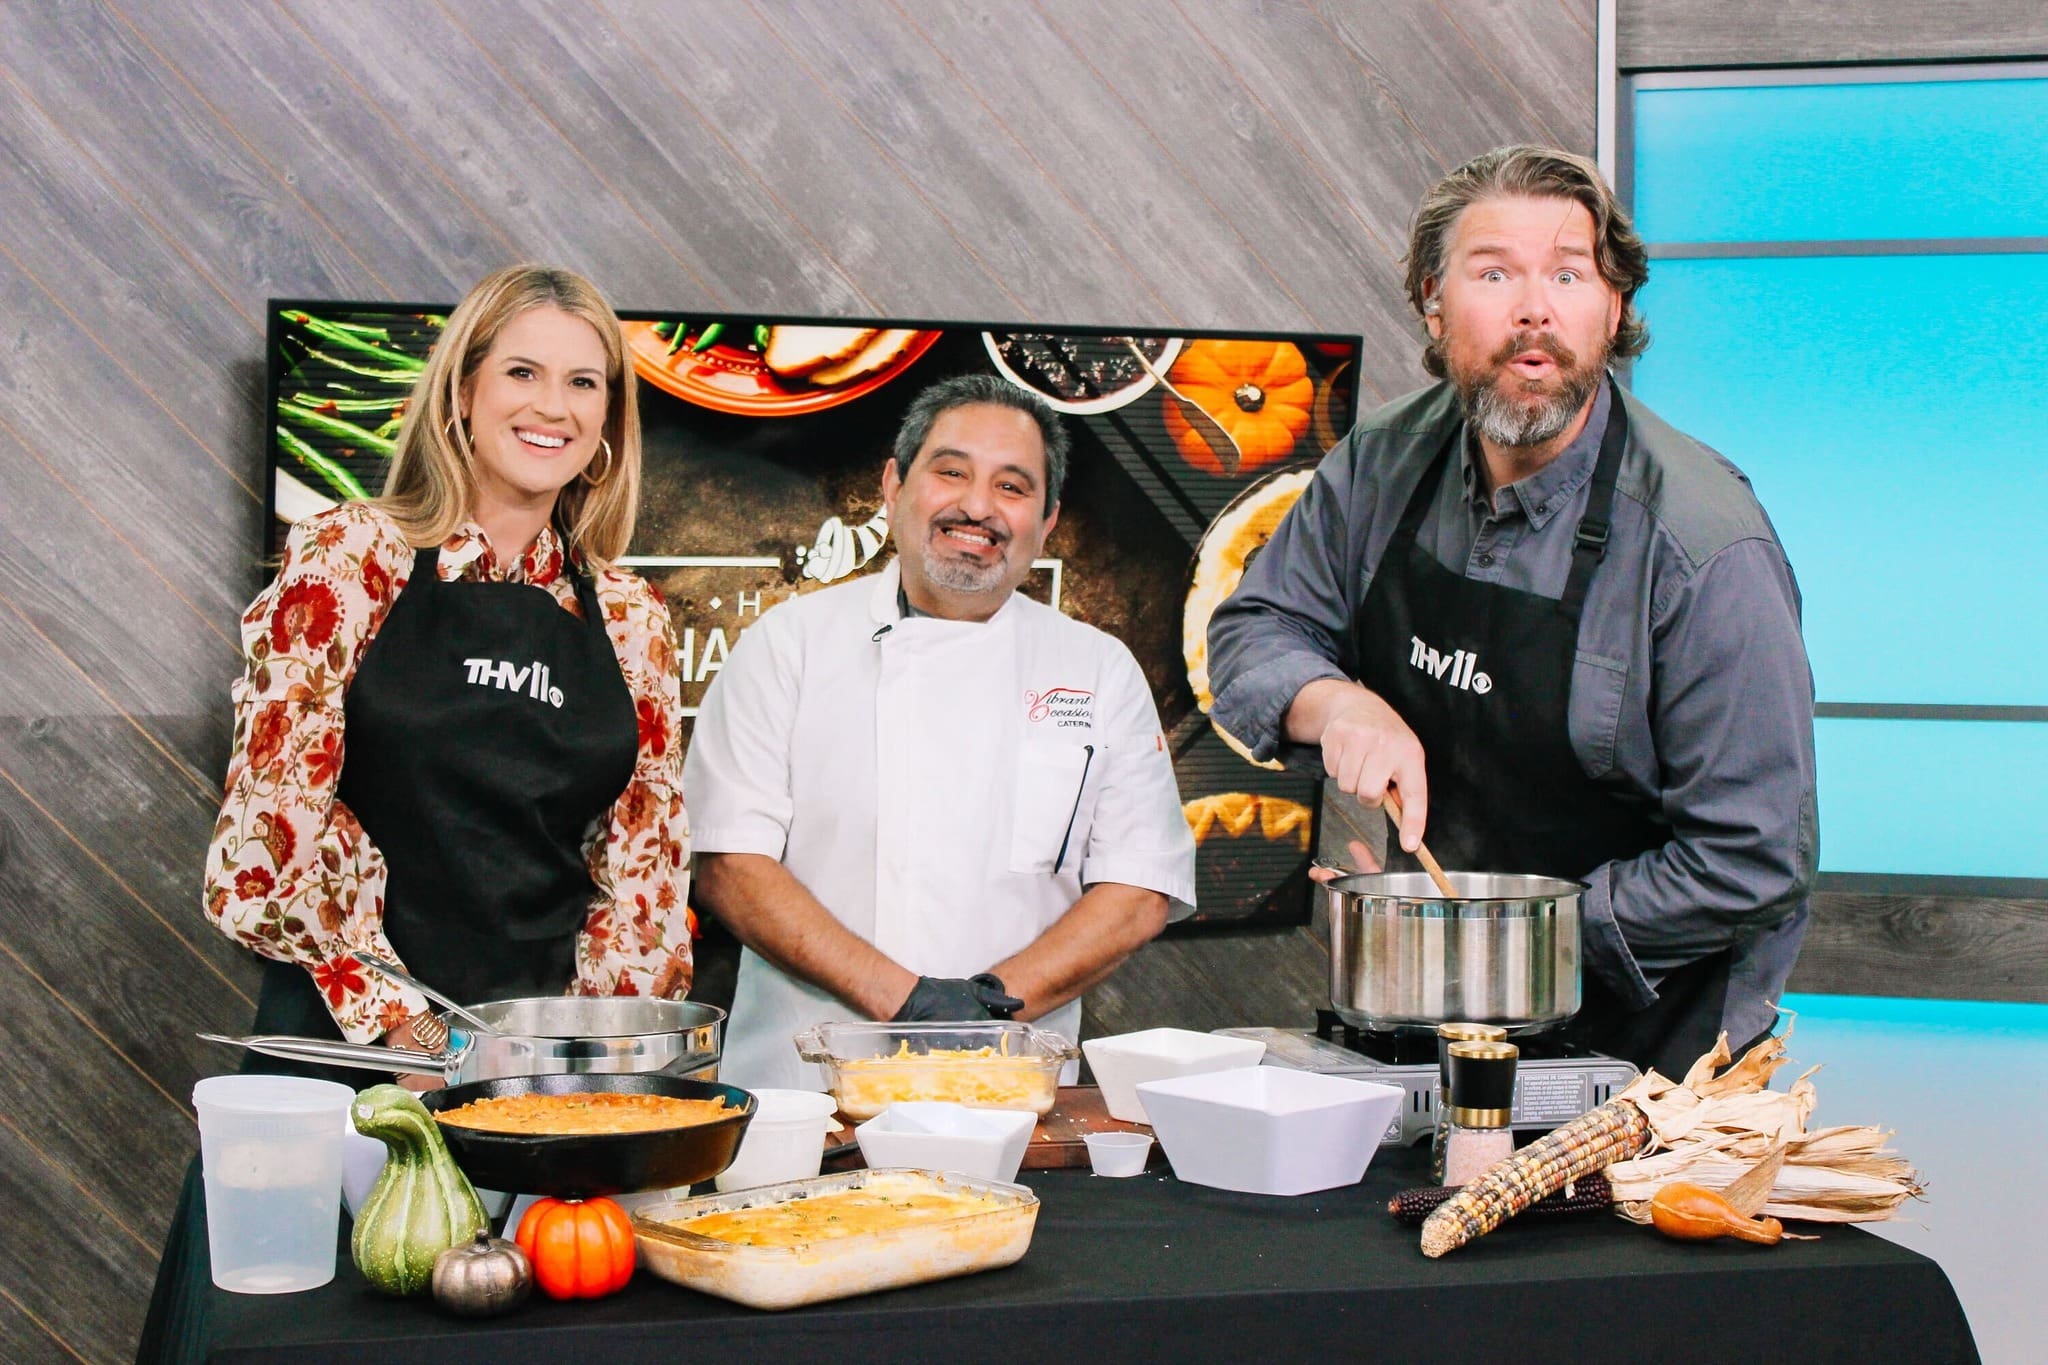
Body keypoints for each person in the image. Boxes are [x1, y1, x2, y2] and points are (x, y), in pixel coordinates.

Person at [1206, 147, 1817, 1078]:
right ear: (1433, 301)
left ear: (1612, 311)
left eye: (1570, 276)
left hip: (1651, 1051)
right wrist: (1332, 703)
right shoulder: (1380, 464)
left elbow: (1753, 858)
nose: (1535, 308)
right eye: (1493, 273)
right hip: (1425, 1013)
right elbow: (1253, 629)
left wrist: (1493, 942)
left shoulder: (1704, 545)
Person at [204, 264, 692, 1084]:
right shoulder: (351, 559)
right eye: (522, 373)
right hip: (346, 1050)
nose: (553, 407)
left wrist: (595, 1069)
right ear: (463, 392)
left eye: (582, 382)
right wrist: (416, 1034)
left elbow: (644, 880)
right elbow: (264, 850)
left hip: (532, 1070)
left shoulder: (631, 617)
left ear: (607, 417)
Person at [684, 374, 1195, 1090]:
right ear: (893, 487)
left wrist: (985, 1009)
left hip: (1010, 1093)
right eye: (951, 471)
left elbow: (1138, 889)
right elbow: (733, 868)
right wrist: (912, 1003)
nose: (977, 506)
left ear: (1047, 522)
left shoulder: (1098, 668)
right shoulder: (788, 644)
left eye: (1013, 487)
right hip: (804, 1095)